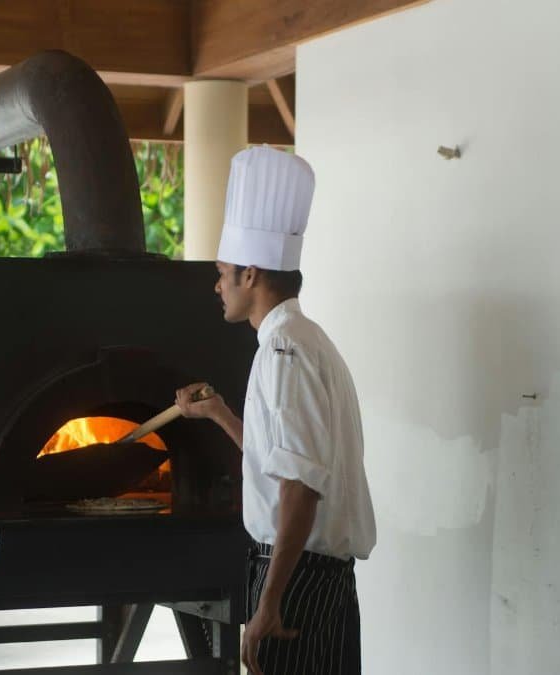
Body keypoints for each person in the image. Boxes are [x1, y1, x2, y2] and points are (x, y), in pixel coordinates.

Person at [176, 146, 376, 675]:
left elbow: (300, 487)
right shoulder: (307, 340)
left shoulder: (283, 352)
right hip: (318, 574)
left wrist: (270, 600)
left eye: (222, 273)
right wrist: (221, 414)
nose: (217, 285)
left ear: (250, 274)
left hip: (297, 575)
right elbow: (287, 461)